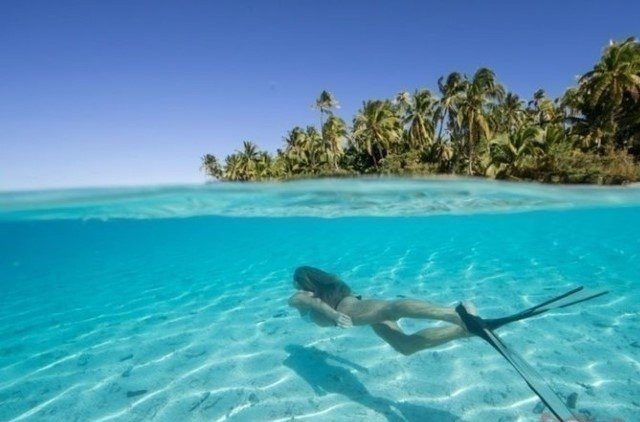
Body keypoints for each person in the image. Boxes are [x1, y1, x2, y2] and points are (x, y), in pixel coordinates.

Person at [288, 266, 475, 356]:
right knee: (405, 347)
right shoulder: (324, 291)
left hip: (345, 309)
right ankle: (463, 331)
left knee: (389, 309)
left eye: (294, 280)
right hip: (353, 305)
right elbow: (319, 303)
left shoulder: (298, 297)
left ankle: (456, 314)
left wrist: (335, 315)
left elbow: (317, 305)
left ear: (300, 281)